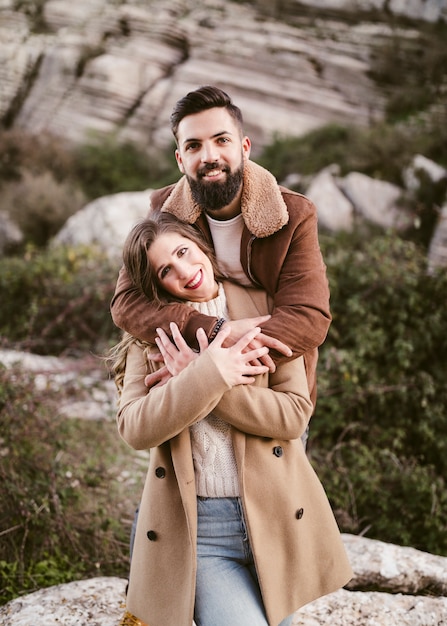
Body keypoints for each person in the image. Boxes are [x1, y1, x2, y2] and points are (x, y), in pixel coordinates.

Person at [111, 213, 352, 626]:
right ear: (156, 285)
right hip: (202, 534)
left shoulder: (265, 304)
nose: (185, 272)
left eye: (184, 252)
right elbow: (135, 428)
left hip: (275, 516)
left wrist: (209, 381)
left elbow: (293, 415)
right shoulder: (154, 334)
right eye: (166, 270)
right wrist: (207, 376)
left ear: (202, 245)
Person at [111, 85, 331, 411]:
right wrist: (213, 333)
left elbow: (308, 317)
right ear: (180, 159)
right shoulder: (165, 209)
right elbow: (126, 302)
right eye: (194, 146)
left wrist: (212, 364)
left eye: (221, 140)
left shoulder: (294, 214)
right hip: (191, 381)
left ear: (245, 147)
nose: (209, 156)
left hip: (273, 391)